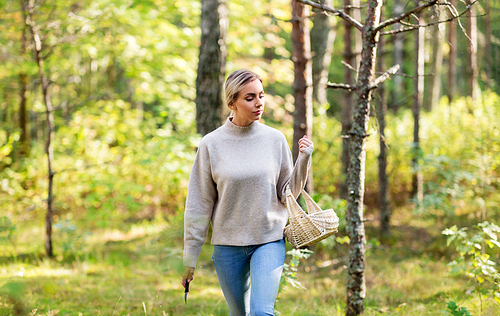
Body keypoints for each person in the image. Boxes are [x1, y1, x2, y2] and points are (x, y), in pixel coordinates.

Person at [182, 69, 313, 316]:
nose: (259, 103)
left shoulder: (275, 139)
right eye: (250, 97)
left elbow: (288, 193)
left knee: (262, 313)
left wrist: (303, 160)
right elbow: (199, 204)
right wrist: (190, 257)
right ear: (232, 102)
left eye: (261, 95)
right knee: (239, 314)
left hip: (268, 239)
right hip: (227, 245)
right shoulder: (211, 144)